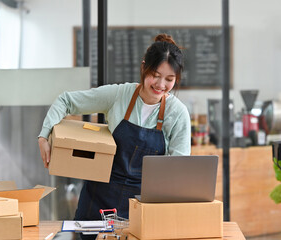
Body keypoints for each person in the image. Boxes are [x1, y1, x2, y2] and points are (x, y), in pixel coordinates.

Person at [38, 33, 191, 220]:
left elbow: (177, 171)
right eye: (155, 75)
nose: (160, 84)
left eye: (169, 79)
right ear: (144, 68)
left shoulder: (178, 113)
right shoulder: (119, 95)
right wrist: (44, 136)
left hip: (141, 208)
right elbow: (66, 101)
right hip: (98, 201)